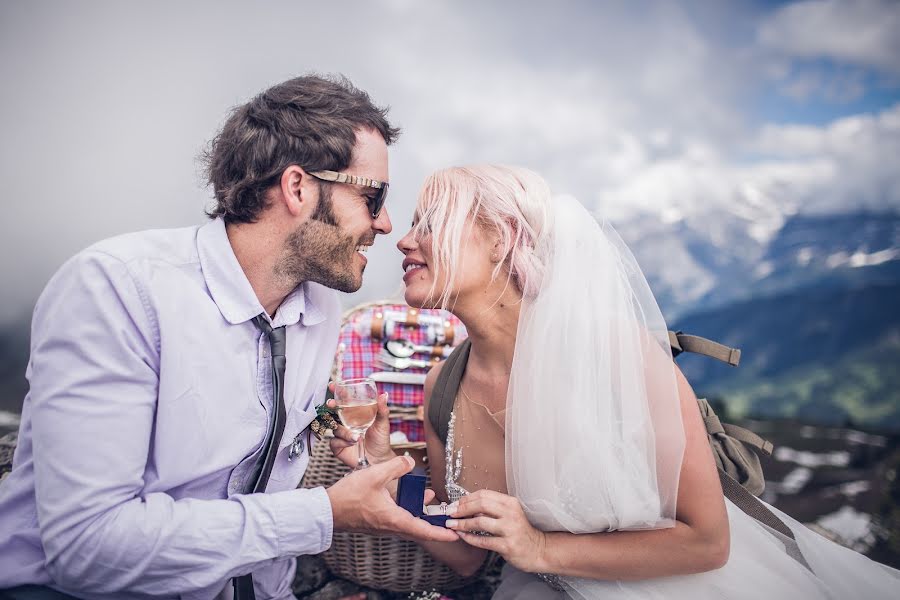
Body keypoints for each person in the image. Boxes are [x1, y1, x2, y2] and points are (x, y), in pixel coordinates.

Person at [331, 164, 900, 598]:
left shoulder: (619, 358)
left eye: (428, 223)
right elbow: (467, 558)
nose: (404, 241)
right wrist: (381, 470)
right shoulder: (443, 386)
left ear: (502, 238)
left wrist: (540, 548)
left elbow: (708, 541)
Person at [0, 74, 457, 600]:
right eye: (373, 197)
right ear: (298, 187)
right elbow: (87, 549)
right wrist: (321, 514)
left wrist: (351, 446)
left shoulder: (319, 305)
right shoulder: (117, 289)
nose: (386, 224)